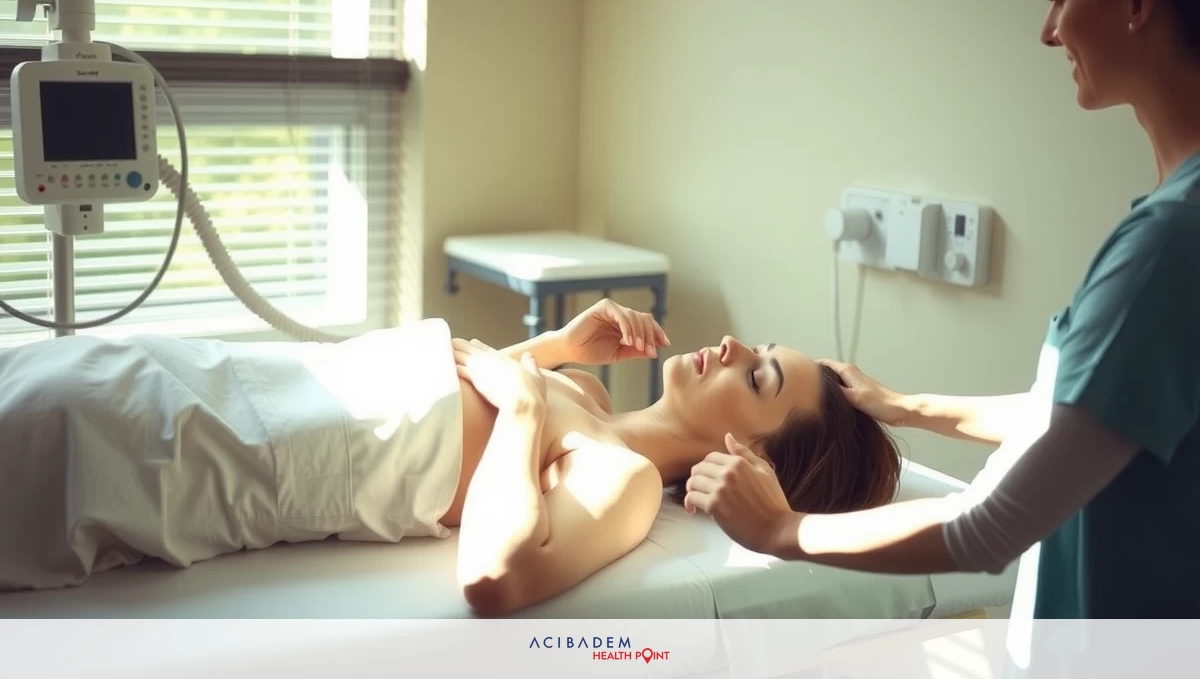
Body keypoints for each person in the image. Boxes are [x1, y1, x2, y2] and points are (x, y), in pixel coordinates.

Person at [683, 0, 1200, 619]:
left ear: (1136, 1)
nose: (1049, 31)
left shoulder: (1167, 248)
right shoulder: (1173, 230)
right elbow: (1089, 419)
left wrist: (782, 529)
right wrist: (906, 406)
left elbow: (989, 527)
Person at [0, 297, 900, 615]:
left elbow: (496, 578)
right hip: (191, 376)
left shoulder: (621, 479)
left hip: (178, 442)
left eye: (758, 375)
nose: (734, 345)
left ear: (748, 451)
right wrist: (556, 350)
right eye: (760, 348)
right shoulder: (588, 404)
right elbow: (465, 387)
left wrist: (526, 403)